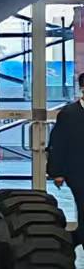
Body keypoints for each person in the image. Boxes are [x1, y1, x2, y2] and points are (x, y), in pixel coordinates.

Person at [49, 72, 84, 250]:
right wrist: (57, 172)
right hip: (78, 172)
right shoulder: (69, 114)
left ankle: (71, 241)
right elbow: (58, 143)